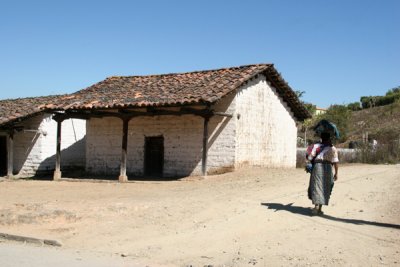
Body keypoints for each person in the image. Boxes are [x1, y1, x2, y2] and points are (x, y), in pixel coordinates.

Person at [306, 132, 339, 215]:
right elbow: (336, 162)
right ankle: (319, 208)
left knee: (317, 185)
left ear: (321, 138)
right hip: (328, 168)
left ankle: (316, 207)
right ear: (329, 138)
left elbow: (310, 157)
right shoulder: (333, 148)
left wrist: (309, 158)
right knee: (326, 186)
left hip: (318, 166)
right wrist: (336, 173)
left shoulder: (317, 146)